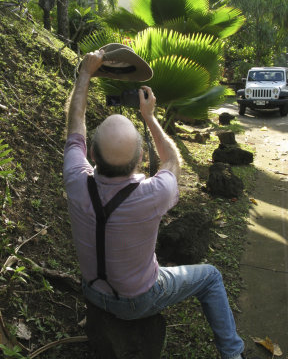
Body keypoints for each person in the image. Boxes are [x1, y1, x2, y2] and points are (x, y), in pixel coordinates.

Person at [63, 50, 246, 359]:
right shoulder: (154, 192)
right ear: (140, 160)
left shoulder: (75, 179)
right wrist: (149, 117)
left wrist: (84, 76)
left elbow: (75, 127)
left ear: (91, 156)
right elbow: (172, 161)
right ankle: (233, 354)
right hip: (138, 300)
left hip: (92, 291)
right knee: (211, 276)